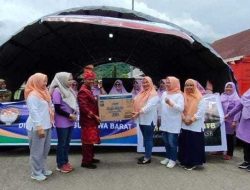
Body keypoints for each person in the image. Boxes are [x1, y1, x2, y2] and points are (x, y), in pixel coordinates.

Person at [24, 73, 54, 181]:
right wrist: (39, 127)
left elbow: (50, 106)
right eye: (43, 81)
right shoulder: (33, 95)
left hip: (47, 125)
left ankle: (42, 168)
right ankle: (36, 173)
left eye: (46, 81)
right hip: (37, 127)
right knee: (37, 151)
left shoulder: (44, 92)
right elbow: (34, 112)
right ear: (36, 81)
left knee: (45, 149)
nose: (45, 83)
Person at [49, 72, 78, 173]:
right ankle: (60, 164)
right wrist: (69, 115)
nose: (71, 82)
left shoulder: (69, 90)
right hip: (62, 122)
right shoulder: (57, 91)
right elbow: (57, 109)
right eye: (69, 80)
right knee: (62, 143)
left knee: (67, 143)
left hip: (70, 120)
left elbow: (73, 104)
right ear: (62, 80)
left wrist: (73, 113)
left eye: (71, 79)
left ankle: (65, 161)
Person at [178, 79, 206, 170]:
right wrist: (183, 118)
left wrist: (192, 119)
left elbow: (201, 111)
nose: (189, 87)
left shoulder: (200, 97)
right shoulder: (183, 96)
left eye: (191, 85)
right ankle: (184, 161)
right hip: (184, 124)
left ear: (195, 86)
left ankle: (193, 163)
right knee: (184, 144)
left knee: (193, 145)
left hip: (195, 126)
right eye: (187, 85)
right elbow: (180, 109)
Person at [132, 76, 159, 164]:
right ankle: (147, 154)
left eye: (147, 82)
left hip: (148, 120)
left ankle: (147, 158)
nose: (145, 84)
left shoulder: (154, 94)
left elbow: (148, 107)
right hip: (141, 119)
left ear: (151, 83)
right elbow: (134, 101)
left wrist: (138, 112)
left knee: (148, 139)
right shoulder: (141, 93)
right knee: (146, 138)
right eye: (143, 82)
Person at [159, 76, 184, 168]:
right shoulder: (165, 93)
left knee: (172, 142)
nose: (167, 84)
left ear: (174, 83)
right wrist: (159, 117)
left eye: (169, 82)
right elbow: (161, 106)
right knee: (166, 141)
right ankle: (168, 157)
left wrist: (171, 103)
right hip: (165, 122)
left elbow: (181, 108)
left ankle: (173, 159)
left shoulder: (179, 95)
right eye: (166, 82)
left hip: (174, 123)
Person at [78, 69, 101, 169]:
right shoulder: (83, 91)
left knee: (91, 141)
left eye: (93, 79)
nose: (92, 81)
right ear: (85, 80)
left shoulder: (88, 89)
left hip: (91, 120)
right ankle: (86, 162)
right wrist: (94, 115)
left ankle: (90, 158)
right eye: (90, 79)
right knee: (87, 142)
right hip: (88, 120)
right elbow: (83, 107)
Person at [225, 88, 250, 171]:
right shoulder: (246, 95)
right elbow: (238, 106)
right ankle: (247, 161)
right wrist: (229, 114)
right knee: (246, 143)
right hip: (246, 123)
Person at [221, 82, 241, 160]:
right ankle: (220, 150)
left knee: (229, 137)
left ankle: (229, 153)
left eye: (230, 87)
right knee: (221, 135)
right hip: (222, 120)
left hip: (231, 121)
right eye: (227, 87)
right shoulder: (222, 96)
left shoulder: (236, 98)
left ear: (234, 88)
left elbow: (238, 111)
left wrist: (235, 121)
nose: (228, 89)